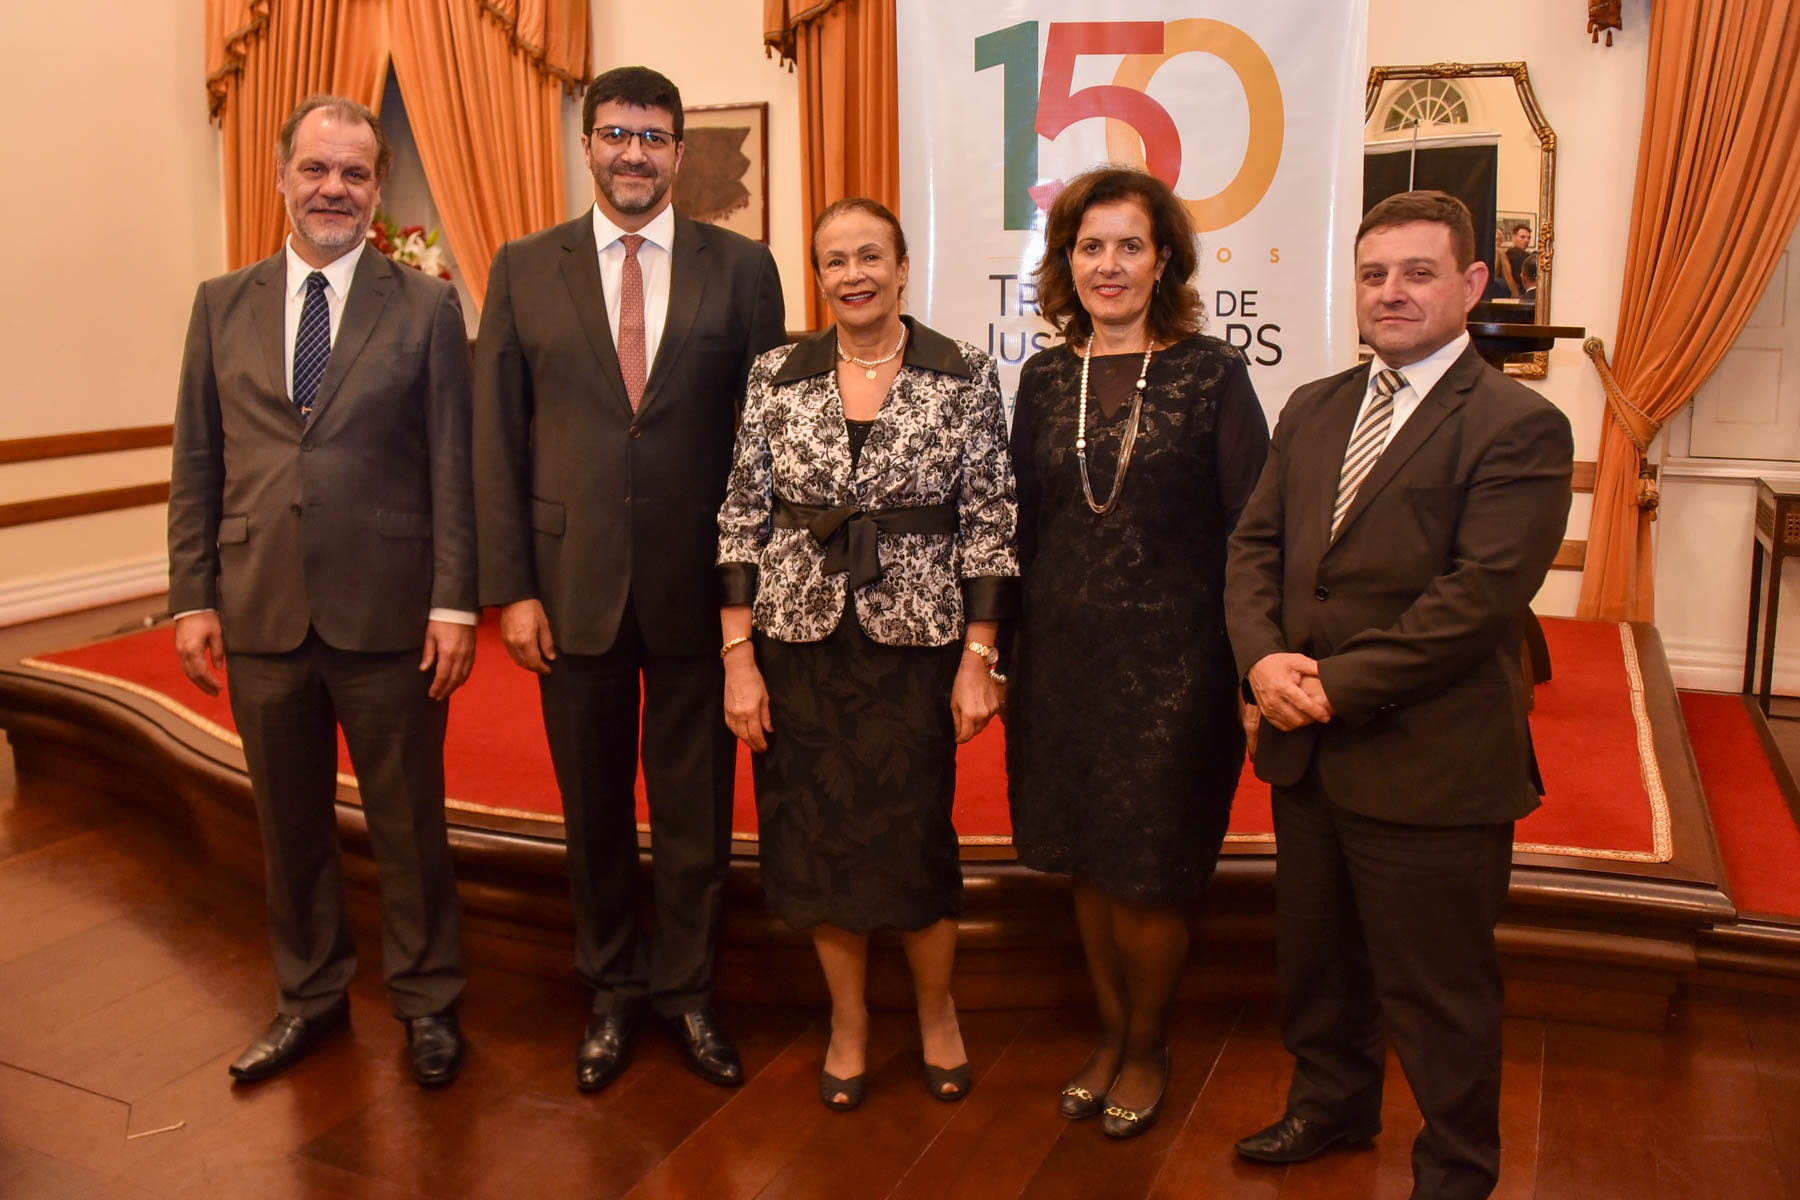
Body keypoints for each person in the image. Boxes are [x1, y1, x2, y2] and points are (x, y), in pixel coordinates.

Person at [1225, 190, 1573, 1199]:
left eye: (1417, 272)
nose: (1391, 292)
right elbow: (1255, 549)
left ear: (1470, 284)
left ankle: (1456, 1171)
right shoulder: (1316, 406)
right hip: (1307, 751)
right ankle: (1332, 1107)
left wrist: (1330, 684)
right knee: (1319, 965)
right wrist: (1260, 661)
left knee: (1438, 993)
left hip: (1431, 760)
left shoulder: (1520, 425)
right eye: (1374, 274)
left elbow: (1480, 599)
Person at [472, 66, 786, 1093]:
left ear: (680, 152)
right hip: (571, 588)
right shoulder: (523, 268)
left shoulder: (743, 270)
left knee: (696, 811)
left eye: (654, 137)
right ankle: (611, 989)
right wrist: (511, 587)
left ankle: (690, 993)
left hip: (701, 589)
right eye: (616, 134)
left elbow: (762, 446)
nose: (634, 154)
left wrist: (751, 600)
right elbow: (496, 440)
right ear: (589, 144)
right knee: (595, 806)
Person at [167, 95, 477, 1088]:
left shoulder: (426, 306)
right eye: (316, 169)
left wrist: (454, 601)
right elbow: (197, 460)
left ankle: (429, 1005)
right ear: (282, 177)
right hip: (258, 608)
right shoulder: (221, 303)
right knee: (288, 825)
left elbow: (452, 467)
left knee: (408, 826)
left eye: (353, 172)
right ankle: (309, 999)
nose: (333, 188)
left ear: (377, 188)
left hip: (389, 613)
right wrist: (191, 595)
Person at [715, 198, 1017, 1111]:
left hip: (916, 647)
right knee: (813, 843)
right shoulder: (777, 373)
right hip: (798, 642)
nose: (853, 274)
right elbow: (741, 515)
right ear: (819, 275)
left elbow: (992, 523)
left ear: (903, 265)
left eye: (870, 256)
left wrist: (980, 657)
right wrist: (738, 655)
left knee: (914, 839)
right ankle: (847, 1023)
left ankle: (936, 1015)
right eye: (835, 260)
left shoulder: (961, 372)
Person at [1005, 166, 1270, 1139]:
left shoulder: (1212, 374)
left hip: (1176, 672)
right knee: (1085, 858)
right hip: (1062, 664)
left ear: (1164, 262)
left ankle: (1149, 1045)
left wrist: (1251, 667)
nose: (1107, 265)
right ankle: (1111, 1034)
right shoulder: (1041, 378)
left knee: (1148, 868)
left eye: (1128, 245)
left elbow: (1253, 528)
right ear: (1065, 263)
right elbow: (1018, 528)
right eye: (1089, 246)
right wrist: (996, 654)